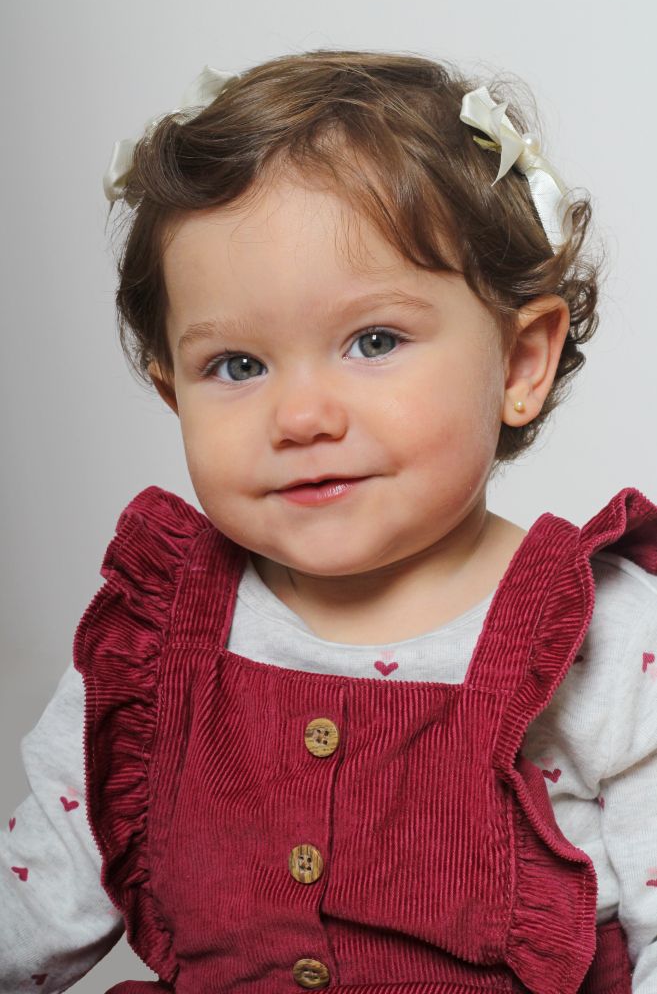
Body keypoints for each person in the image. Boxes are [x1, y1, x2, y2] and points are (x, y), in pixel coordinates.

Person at [1, 50, 656, 994]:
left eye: (373, 341)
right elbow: (35, 906)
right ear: (173, 391)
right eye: (236, 366)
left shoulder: (609, 639)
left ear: (519, 364)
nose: (301, 417)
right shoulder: (154, 641)